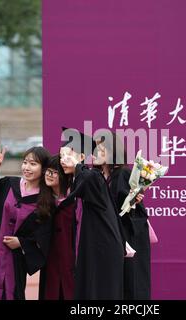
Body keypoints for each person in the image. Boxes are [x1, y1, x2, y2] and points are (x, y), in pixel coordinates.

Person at [0, 145, 53, 300]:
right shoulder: (8, 184)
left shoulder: (45, 202)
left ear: (44, 168)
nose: (27, 167)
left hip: (15, 259)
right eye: (25, 162)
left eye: (33, 164)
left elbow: (45, 236)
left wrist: (22, 243)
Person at [59, 128, 125, 299]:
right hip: (93, 247)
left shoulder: (92, 177)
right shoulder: (89, 177)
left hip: (103, 248)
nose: (63, 160)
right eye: (61, 156)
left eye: (69, 154)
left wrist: (77, 166)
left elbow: (87, 178)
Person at [93, 131, 151, 299]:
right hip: (107, 241)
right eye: (96, 149)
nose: (97, 153)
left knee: (129, 286)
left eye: (102, 150)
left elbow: (133, 213)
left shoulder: (123, 174)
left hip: (126, 241)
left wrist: (133, 203)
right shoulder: (98, 177)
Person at [38, 155, 75, 300]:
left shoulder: (75, 200)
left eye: (54, 172)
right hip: (51, 264)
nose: (49, 174)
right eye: (47, 171)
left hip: (72, 263)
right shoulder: (43, 200)